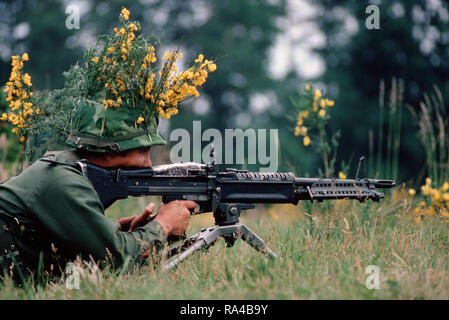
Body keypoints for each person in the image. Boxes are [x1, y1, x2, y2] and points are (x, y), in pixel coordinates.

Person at [0, 98, 195, 281]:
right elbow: (114, 261)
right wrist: (163, 225)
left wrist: (118, 234)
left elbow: (81, 264)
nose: (148, 164)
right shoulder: (64, 181)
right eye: (143, 152)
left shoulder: (64, 169)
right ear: (110, 151)